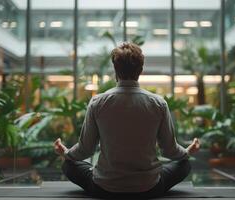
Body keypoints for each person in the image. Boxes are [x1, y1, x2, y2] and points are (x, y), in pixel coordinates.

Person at [54, 42, 200, 198]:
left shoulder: (98, 102)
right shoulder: (158, 103)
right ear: (141, 70)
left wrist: (66, 153)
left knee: (68, 165)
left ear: (115, 70)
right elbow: (169, 150)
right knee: (184, 165)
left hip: (105, 188)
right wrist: (187, 152)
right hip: (149, 188)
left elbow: (85, 150)